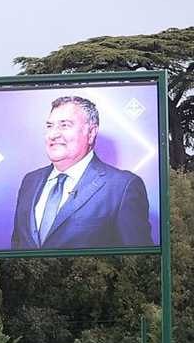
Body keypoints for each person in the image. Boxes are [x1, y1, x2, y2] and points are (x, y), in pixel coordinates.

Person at [11, 95, 153, 250]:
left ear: (91, 132)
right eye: (50, 126)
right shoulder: (30, 181)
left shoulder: (122, 187)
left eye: (64, 125)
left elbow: (139, 259)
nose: (53, 134)